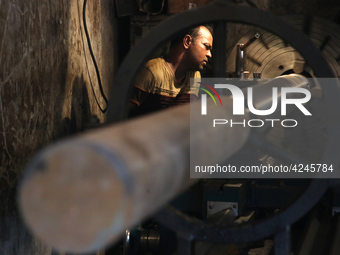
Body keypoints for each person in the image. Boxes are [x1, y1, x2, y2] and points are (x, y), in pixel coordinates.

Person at [129, 25, 213, 117]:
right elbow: (123, 115)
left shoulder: (195, 76)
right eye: (206, 46)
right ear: (187, 42)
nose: (209, 54)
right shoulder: (152, 72)